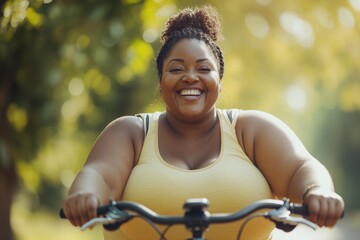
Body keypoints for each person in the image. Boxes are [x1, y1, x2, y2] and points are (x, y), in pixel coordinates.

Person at [62, 5, 344, 240]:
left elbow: (301, 168)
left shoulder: (251, 130)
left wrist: (317, 192)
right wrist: (86, 194)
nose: (190, 77)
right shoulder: (131, 133)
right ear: (161, 83)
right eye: (176, 69)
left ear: (219, 83)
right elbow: (98, 174)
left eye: (204, 68)